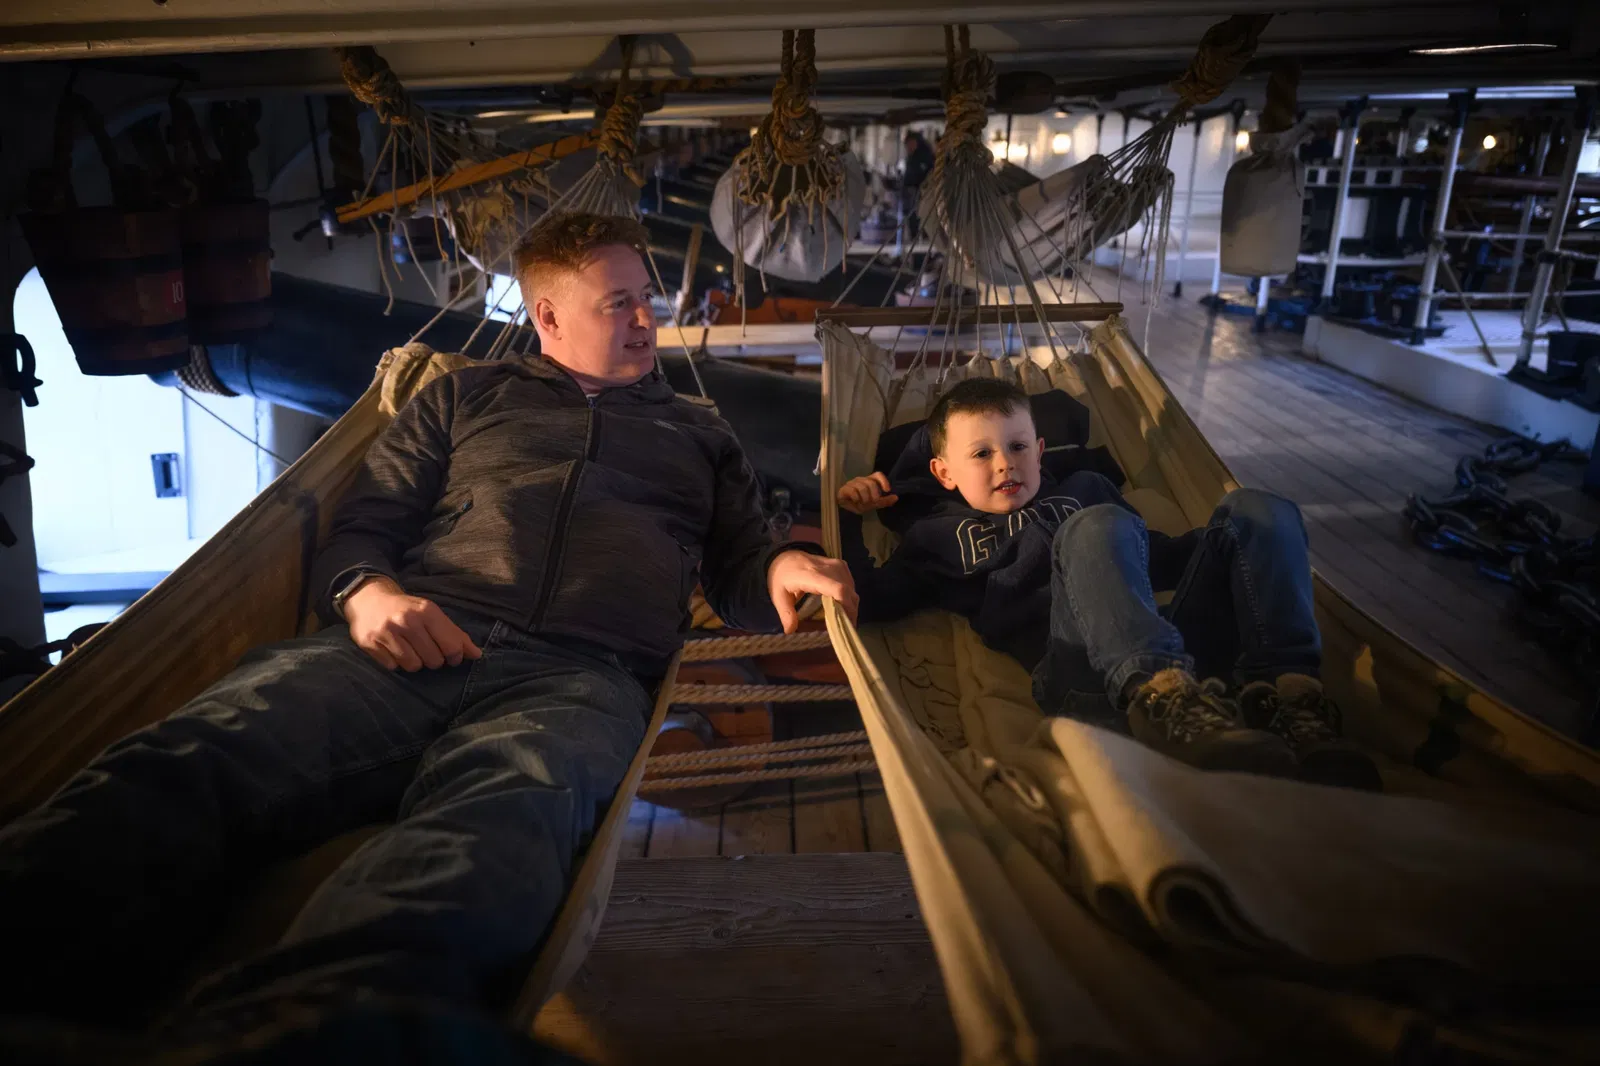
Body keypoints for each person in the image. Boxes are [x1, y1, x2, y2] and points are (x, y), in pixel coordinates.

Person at [0, 213, 858, 1044]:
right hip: (406, 646)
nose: (646, 319)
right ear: (548, 316)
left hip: (583, 678)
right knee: (197, 752)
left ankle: (321, 1028)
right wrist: (366, 594)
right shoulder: (462, 395)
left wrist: (779, 568)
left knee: (498, 829)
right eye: (619, 303)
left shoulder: (701, 435)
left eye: (645, 296)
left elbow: (742, 568)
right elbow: (367, 522)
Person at [837, 377, 1379, 790]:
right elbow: (872, 596)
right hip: (1081, 676)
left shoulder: (1086, 486)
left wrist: (1235, 546)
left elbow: (1156, 561)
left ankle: (1289, 698)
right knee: (1096, 525)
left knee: (1259, 510)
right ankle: (1159, 699)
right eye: (982, 453)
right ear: (944, 473)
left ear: (1040, 450)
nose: (1005, 464)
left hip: (1180, 660)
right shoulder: (938, 537)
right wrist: (848, 517)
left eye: (1019, 446)